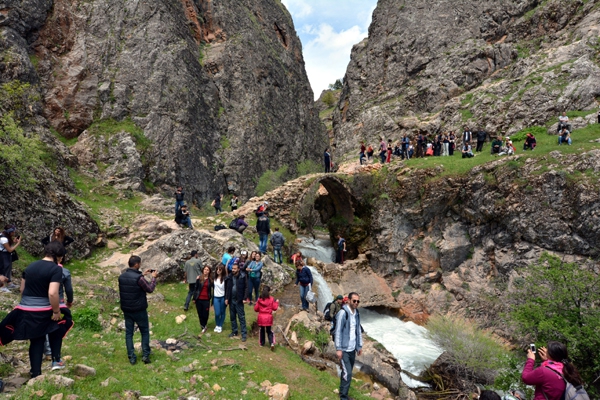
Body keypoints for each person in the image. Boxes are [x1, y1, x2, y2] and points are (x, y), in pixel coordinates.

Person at [0, 242, 73, 376]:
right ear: (59, 256)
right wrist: (56, 311)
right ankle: (56, 360)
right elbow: (52, 293)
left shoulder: (30, 266)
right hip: (44, 310)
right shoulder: (56, 269)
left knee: (36, 339)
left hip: (25, 309)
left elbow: (22, 289)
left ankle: (35, 372)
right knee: (58, 327)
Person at [118, 255, 157, 364]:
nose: (140, 265)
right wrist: (153, 278)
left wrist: (142, 274)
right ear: (136, 264)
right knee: (144, 332)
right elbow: (149, 289)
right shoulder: (139, 279)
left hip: (127, 309)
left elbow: (131, 283)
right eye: (139, 263)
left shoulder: (122, 277)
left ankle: (131, 357)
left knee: (129, 333)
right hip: (139, 309)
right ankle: (145, 355)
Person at [334, 292, 363, 400]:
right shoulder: (343, 313)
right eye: (354, 301)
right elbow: (338, 332)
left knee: (345, 372)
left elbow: (358, 330)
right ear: (349, 300)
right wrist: (339, 349)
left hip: (352, 350)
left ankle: (342, 392)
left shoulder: (356, 313)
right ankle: (344, 397)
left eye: (358, 301)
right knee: (348, 373)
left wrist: (359, 346)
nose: (356, 303)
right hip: (344, 349)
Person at [224, 262, 247, 342]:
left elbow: (246, 287)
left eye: (234, 269)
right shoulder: (229, 276)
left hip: (239, 300)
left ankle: (244, 334)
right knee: (232, 317)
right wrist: (226, 298)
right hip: (231, 300)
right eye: (232, 268)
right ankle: (234, 331)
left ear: (238, 269)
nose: (233, 270)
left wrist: (245, 298)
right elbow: (228, 288)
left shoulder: (242, 276)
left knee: (241, 318)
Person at [254, 285, 279, 350]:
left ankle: (262, 343)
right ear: (269, 291)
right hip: (268, 318)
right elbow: (275, 308)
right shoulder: (271, 299)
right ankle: (271, 343)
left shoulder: (259, 299)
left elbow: (256, 309)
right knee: (269, 331)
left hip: (261, 318)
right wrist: (276, 302)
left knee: (262, 330)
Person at [193, 265, 213, 334]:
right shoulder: (199, 278)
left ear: (209, 271)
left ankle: (204, 324)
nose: (206, 271)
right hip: (199, 299)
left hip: (206, 299)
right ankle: (203, 326)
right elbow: (196, 289)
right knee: (200, 314)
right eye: (205, 269)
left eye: (207, 270)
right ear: (203, 270)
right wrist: (194, 298)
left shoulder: (210, 280)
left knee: (205, 314)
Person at [0, 226, 21, 290]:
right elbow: (10, 249)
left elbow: (7, 244)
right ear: (9, 232)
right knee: (3, 269)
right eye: (13, 231)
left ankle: (9, 282)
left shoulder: (4, 235)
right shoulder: (4, 239)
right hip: (3, 254)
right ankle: (2, 286)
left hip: (6, 254)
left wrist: (13, 241)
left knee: (8, 268)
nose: (14, 233)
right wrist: (18, 243)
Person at [213, 264, 227, 333]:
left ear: (222, 270)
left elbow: (227, 289)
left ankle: (220, 326)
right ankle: (217, 324)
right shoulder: (214, 278)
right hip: (216, 297)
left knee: (222, 312)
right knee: (217, 313)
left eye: (220, 269)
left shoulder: (225, 279)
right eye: (217, 269)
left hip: (223, 297)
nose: (218, 271)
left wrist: (227, 298)